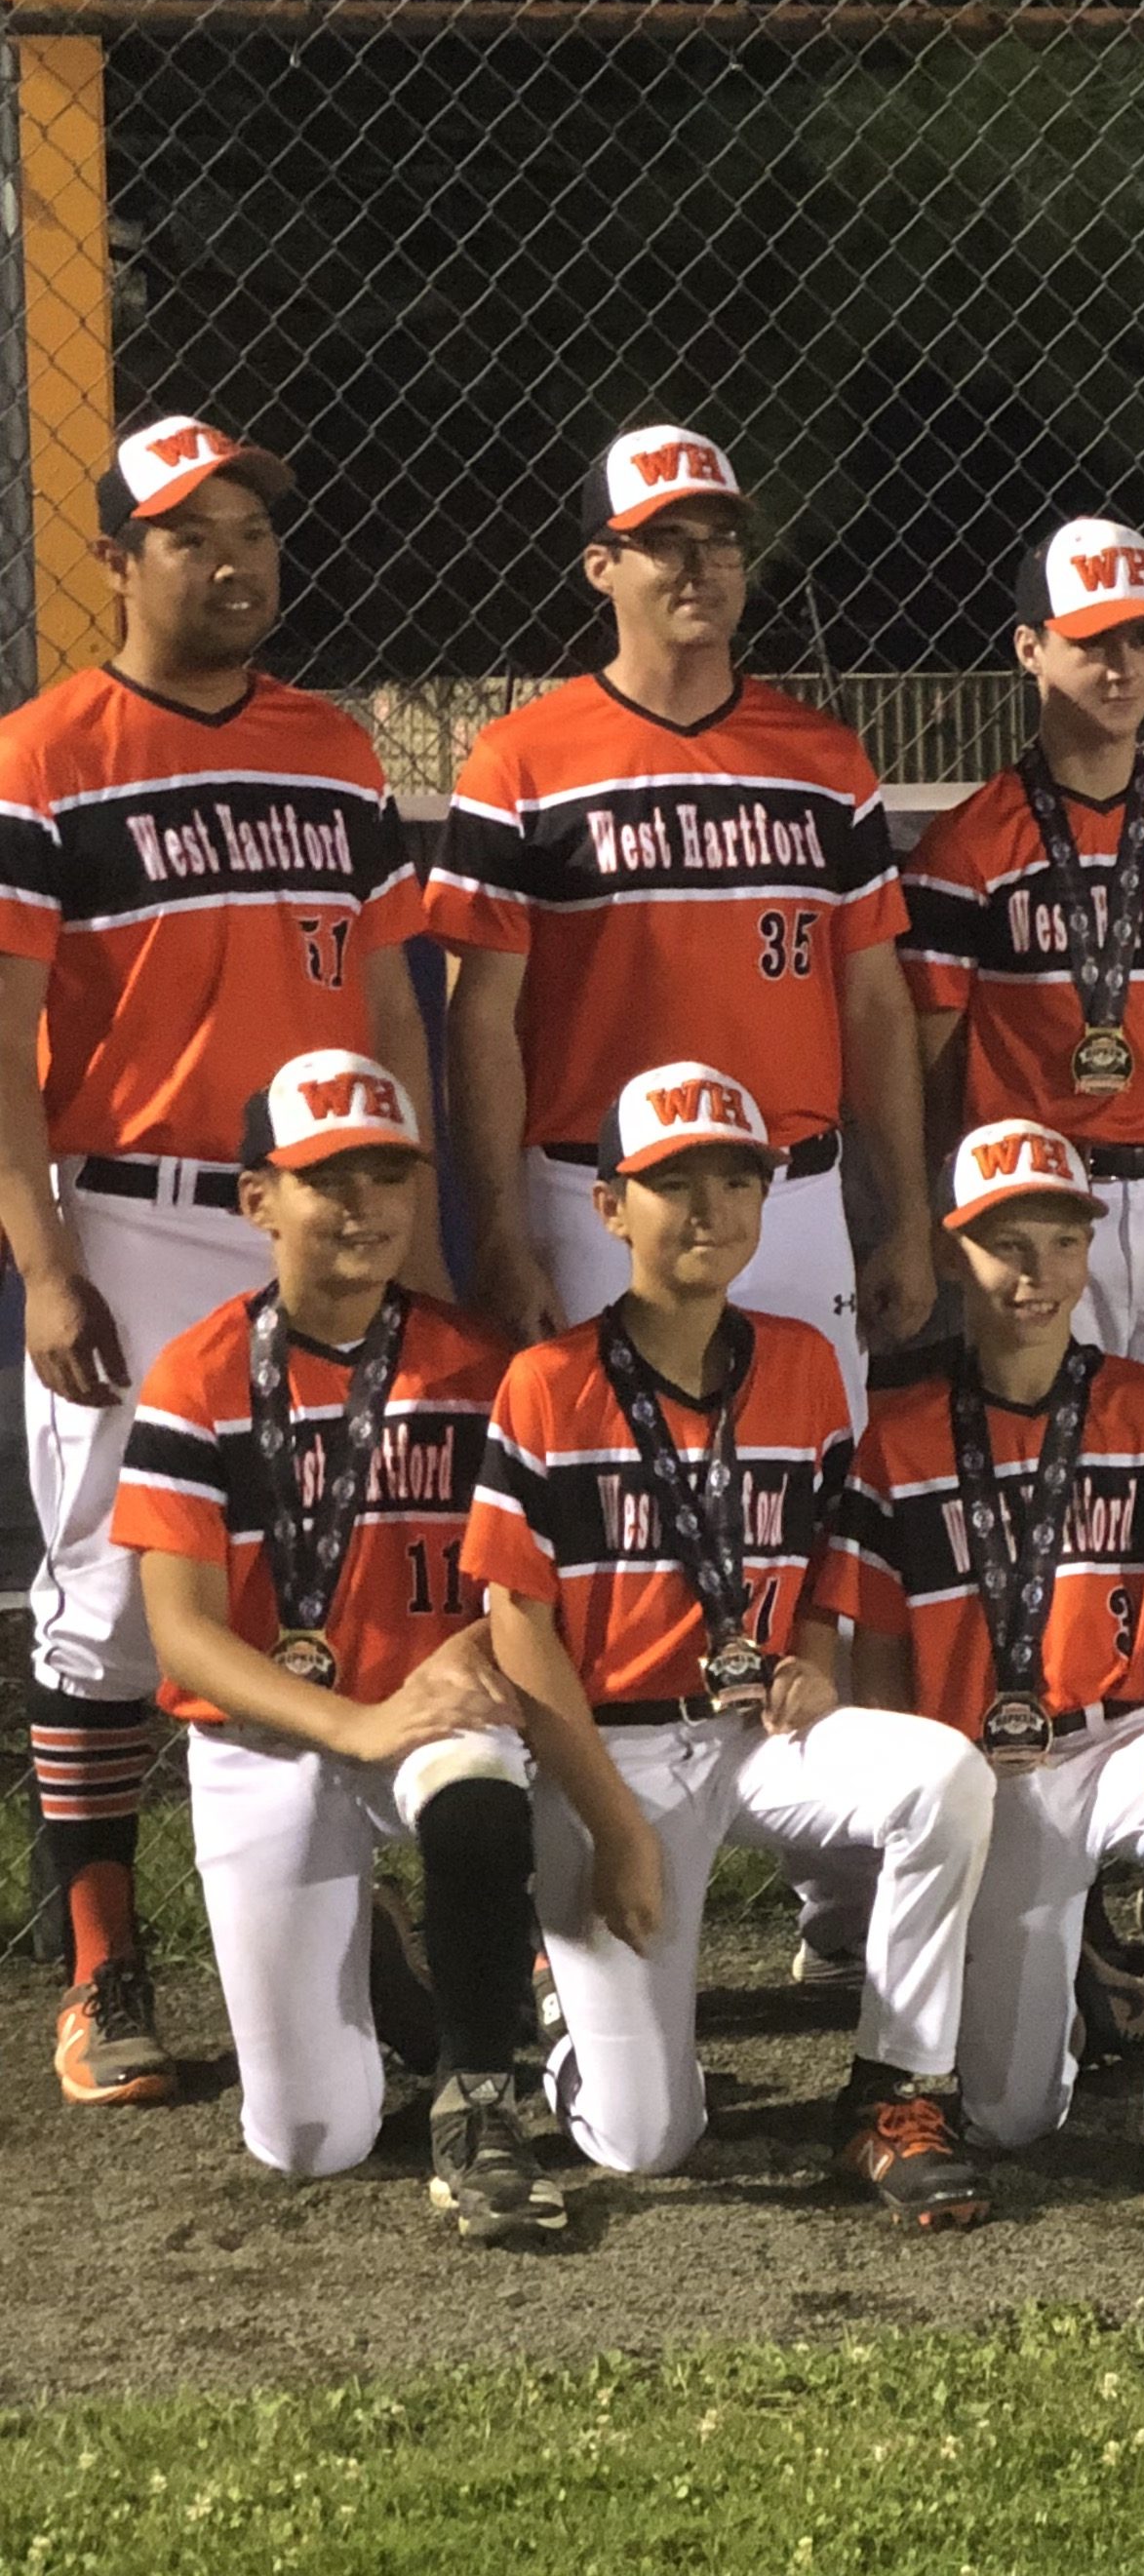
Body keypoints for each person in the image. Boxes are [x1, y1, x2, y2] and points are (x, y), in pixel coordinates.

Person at [0, 413, 438, 2109]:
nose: (236, 555)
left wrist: (430, 1227)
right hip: (139, 1210)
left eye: (255, 523)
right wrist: (43, 1258)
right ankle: (108, 1958)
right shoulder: (47, 752)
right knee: (115, 1594)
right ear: (114, 555)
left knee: (345, 1569)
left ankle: (356, 1923)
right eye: (193, 531)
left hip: (337, 1209)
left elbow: (396, 995)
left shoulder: (331, 745)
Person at [461, 1060, 1001, 2225]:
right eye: (673, 1184)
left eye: (737, 1181)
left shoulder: (803, 1361)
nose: (710, 1212)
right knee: (649, 2144)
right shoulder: (546, 1384)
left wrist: (809, 1650)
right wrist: (613, 1824)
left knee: (942, 1775)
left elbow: (823, 1555)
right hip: (615, 1756)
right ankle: (561, 2021)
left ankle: (895, 2092)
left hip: (756, 1732)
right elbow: (519, 1629)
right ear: (610, 1207)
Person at [114, 1052, 553, 2235]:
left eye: (388, 1176)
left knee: (477, 1799)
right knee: (314, 2142)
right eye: (327, 1179)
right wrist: (352, 1722)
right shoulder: (197, 1375)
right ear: (257, 1199)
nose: (365, 1208)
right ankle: (375, 1960)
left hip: (426, 1709)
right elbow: (183, 1635)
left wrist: (475, 1642)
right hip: (270, 1731)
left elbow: (539, 1572)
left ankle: (478, 2093)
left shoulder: (482, 1366)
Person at [809, 1118, 1144, 2186]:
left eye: (1062, 1244)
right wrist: (927, 1798)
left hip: (1122, 1737)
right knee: (1013, 2119)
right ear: (951, 1253)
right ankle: (1080, 1982)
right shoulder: (899, 1429)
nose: (1038, 1274)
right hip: (985, 1775)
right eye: (1006, 1245)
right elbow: (879, 1643)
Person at [429, 424, 934, 1421]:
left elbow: (875, 1001)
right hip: (598, 1202)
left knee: (811, 1501)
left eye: (721, 539)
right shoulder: (520, 762)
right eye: (666, 541)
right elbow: (477, 1019)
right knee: (603, 1503)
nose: (700, 566)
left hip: (790, 1197)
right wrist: (499, 1232)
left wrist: (909, 1215)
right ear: (601, 567)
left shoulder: (825, 760)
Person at [900, 518, 1144, 1436]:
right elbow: (930, 1064)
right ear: (1030, 648)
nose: (1122, 666)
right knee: (1040, 1456)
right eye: (1091, 641)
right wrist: (930, 1210)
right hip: (1031, 1204)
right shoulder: (966, 844)